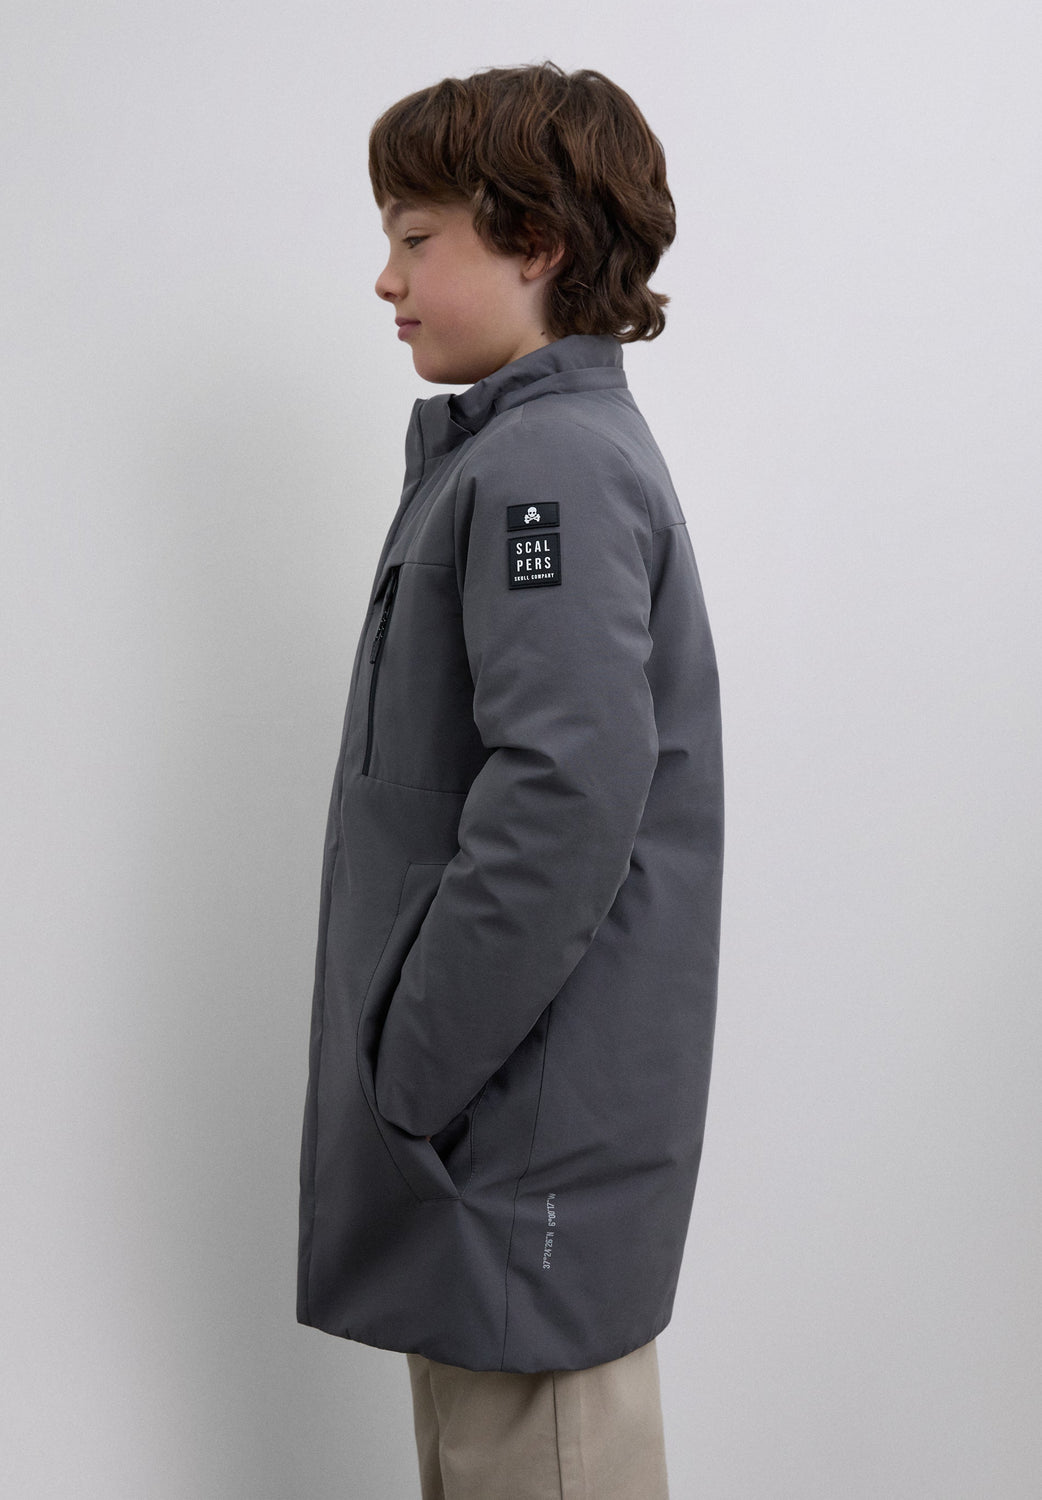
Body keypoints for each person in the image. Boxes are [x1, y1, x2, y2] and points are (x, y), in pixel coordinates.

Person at [297, 61, 724, 1500]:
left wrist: (411, 1073)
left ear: (533, 241)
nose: (386, 279)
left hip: (511, 1131)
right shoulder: (516, 453)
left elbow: (563, 798)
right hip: (497, 1121)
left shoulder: (550, 470)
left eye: (417, 238)